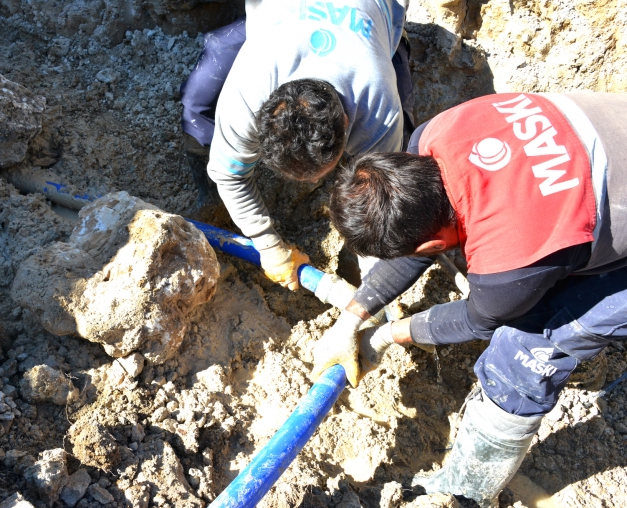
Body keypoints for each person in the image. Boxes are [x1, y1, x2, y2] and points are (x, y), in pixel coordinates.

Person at [313, 92, 627, 507]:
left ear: (427, 245)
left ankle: (464, 491)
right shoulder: (435, 135)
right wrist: (350, 320)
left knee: (521, 352)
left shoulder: (509, 256)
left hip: (593, 205)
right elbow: (427, 238)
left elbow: (480, 319)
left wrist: (386, 336)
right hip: (607, 144)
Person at [180, 0, 414, 290]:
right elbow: (228, 175)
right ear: (261, 121)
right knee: (197, 103)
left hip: (377, 12)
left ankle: (353, 257)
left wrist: (375, 276)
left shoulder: (378, 106)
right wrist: (266, 243)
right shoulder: (249, 87)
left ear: (345, 122)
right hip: (282, 17)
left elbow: (379, 197)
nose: (315, 181)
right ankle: (210, 201)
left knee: (406, 150)